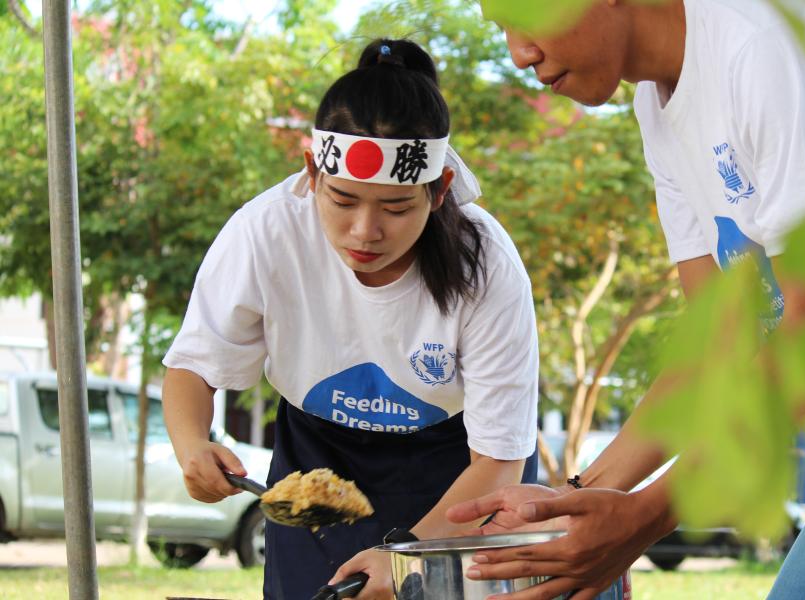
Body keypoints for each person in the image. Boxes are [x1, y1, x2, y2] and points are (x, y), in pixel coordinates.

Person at [446, 1, 805, 599]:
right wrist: (576, 501)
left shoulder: (766, 37)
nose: (519, 52)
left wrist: (645, 518)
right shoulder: (655, 106)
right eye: (501, 27)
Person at [161, 39, 543, 600]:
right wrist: (193, 445)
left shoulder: (484, 262)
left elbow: (499, 463)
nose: (365, 232)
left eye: (395, 208)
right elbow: (193, 368)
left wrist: (407, 560)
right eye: (342, 201)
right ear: (313, 172)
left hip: (459, 474)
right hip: (316, 464)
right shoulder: (266, 232)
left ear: (438, 192)